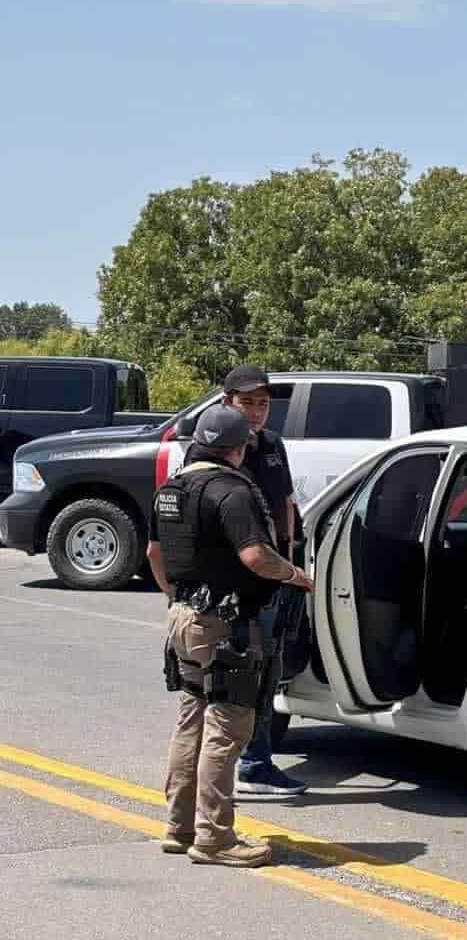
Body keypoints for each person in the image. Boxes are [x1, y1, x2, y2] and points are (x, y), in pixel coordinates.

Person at [148, 404, 312, 867]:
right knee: (226, 729)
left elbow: (153, 552)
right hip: (227, 625)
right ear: (238, 449)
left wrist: (179, 597)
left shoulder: (171, 489)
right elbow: (257, 557)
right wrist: (296, 575)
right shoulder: (231, 491)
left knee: (190, 723)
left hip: (184, 617)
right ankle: (215, 837)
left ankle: (179, 828)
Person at [184, 365, 306, 797]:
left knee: (266, 674)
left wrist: (290, 569)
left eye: (262, 403)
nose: (256, 412)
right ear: (226, 403)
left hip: (271, 581)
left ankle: (254, 762)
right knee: (229, 682)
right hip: (229, 590)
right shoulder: (210, 449)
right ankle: (241, 767)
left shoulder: (273, 446)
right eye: (247, 402)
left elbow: (286, 506)